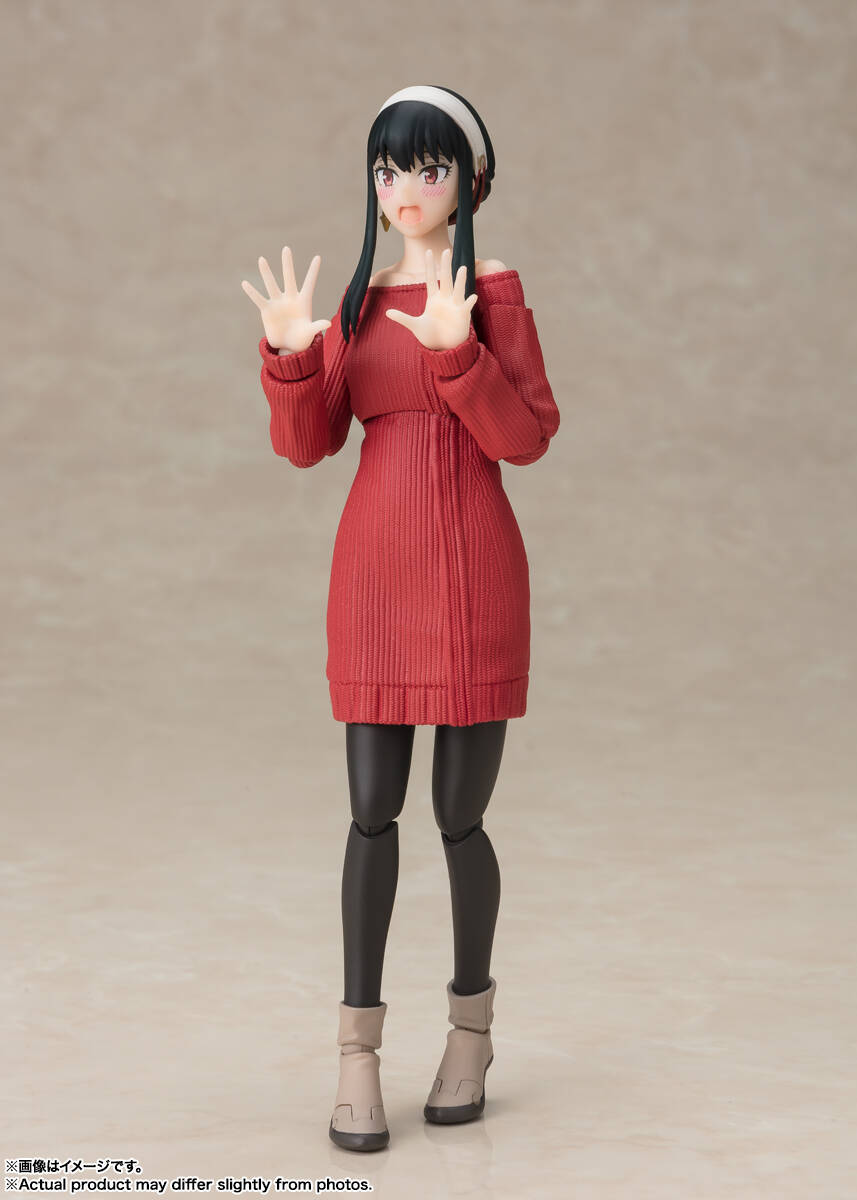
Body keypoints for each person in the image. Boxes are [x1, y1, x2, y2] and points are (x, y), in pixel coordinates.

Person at [241, 84, 560, 1152]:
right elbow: (307, 444)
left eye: (428, 167)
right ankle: (357, 1056)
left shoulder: (493, 288)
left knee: (458, 819)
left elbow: (525, 438)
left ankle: (469, 1033)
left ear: (470, 181)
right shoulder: (359, 299)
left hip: (472, 578)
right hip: (374, 576)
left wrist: (460, 354)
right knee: (369, 814)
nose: (405, 189)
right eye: (388, 169)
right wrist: (292, 354)